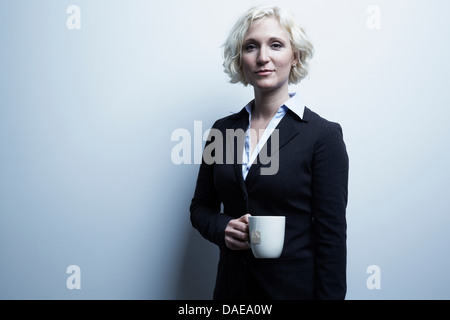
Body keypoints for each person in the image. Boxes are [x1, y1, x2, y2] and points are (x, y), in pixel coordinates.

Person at [190, 5, 349, 300]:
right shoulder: (223, 131)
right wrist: (222, 228)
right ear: (241, 59)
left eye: (276, 45)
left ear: (295, 56)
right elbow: (200, 207)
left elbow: (332, 239)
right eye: (251, 46)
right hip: (231, 295)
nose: (263, 57)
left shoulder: (323, 136)